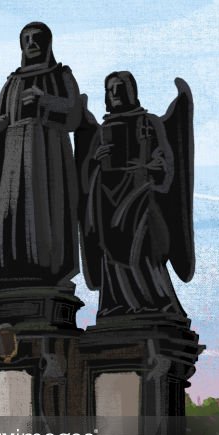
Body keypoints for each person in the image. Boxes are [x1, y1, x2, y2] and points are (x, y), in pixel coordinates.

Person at [78, 72, 194, 318]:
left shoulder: (149, 122)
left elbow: (166, 160)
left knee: (143, 249)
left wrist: (153, 166)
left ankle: (155, 302)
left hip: (139, 194)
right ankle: (116, 304)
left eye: (120, 88)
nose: (115, 93)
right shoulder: (103, 130)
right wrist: (96, 159)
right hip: (107, 199)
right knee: (112, 253)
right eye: (110, 90)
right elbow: (86, 176)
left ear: (131, 91)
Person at [0, 21, 83, 288]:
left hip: (48, 149)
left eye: (37, 38)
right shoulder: (13, 81)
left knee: (46, 204)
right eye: (26, 39)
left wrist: (43, 100)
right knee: (13, 204)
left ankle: (47, 264)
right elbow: (2, 119)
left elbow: (74, 112)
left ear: (47, 42)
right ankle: (13, 263)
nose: (31, 43)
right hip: (15, 151)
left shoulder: (61, 74)